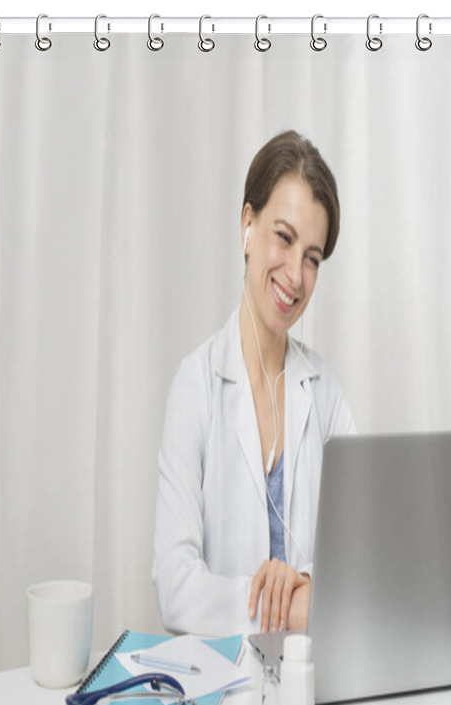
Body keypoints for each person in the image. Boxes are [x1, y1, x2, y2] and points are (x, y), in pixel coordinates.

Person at [153, 131, 355, 637]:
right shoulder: (196, 386)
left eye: (312, 257)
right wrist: (291, 608)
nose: (295, 274)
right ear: (248, 225)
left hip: (313, 682)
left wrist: (308, 587)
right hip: (225, 688)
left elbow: (362, 567)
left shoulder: (324, 394)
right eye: (283, 238)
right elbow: (175, 588)